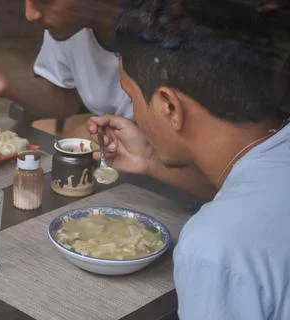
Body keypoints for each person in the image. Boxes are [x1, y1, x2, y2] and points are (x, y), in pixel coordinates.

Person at [88, 1, 290, 318]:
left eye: (132, 98)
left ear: (169, 106)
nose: (136, 114)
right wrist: (151, 159)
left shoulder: (215, 248)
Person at [0, 0, 132, 138]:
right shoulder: (71, 25)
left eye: (46, 0)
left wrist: (100, 135)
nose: (30, 15)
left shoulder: (157, 32)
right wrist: (6, 85)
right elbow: (65, 97)